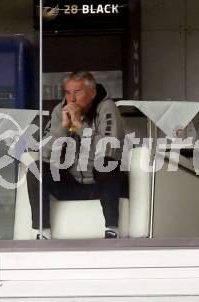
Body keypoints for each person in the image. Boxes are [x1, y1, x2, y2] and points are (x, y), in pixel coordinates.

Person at [27, 71, 127, 239]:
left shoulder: (106, 107)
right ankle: (42, 233)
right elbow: (44, 154)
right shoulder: (60, 110)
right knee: (36, 168)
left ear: (92, 93)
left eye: (77, 92)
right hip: (71, 184)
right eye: (67, 92)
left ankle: (112, 230)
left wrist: (80, 127)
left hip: (103, 184)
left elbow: (110, 150)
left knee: (106, 164)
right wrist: (63, 128)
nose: (71, 99)